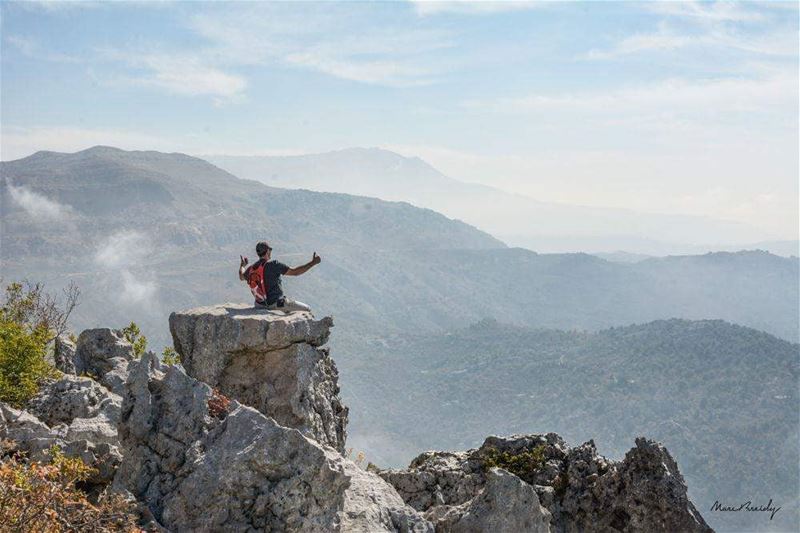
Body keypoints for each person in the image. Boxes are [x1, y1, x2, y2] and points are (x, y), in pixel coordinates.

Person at [238, 241, 320, 313]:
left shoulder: (251, 269)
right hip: (277, 304)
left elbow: (241, 276)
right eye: (270, 250)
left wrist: (242, 265)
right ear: (267, 251)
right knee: (307, 309)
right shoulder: (273, 264)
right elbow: (295, 272)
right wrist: (313, 263)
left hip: (259, 305)